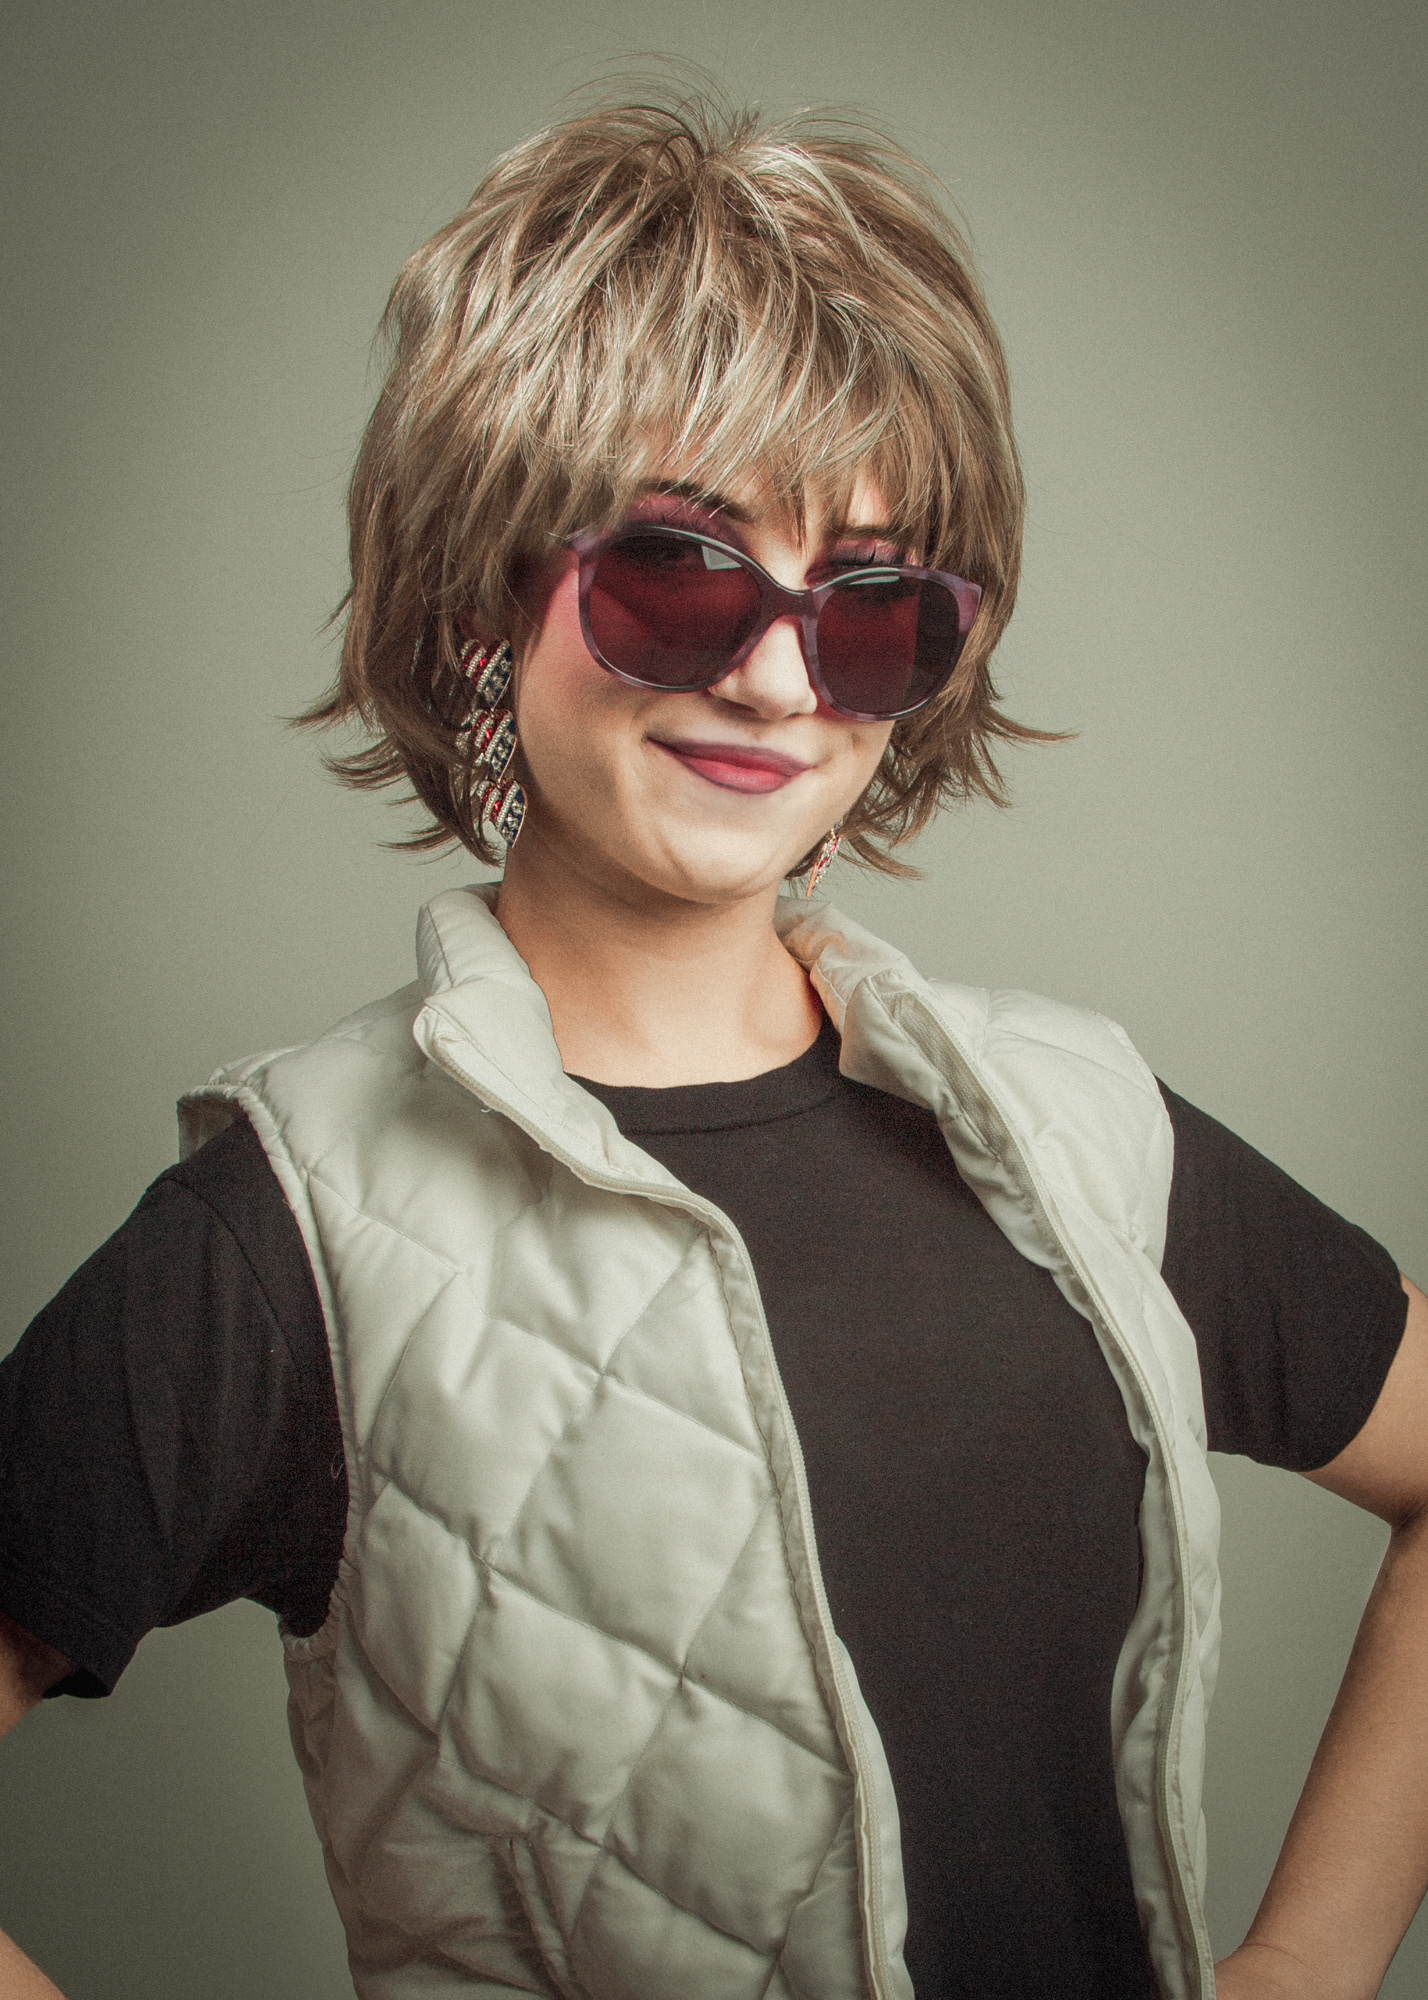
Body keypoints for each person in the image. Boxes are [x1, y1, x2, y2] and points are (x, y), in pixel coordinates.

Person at [0, 95, 1424, 2000]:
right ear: (486, 594)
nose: (773, 676)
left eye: (873, 608)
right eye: (678, 572)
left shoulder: (1081, 1130)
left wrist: (1310, 1962)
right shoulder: (297, 1229)